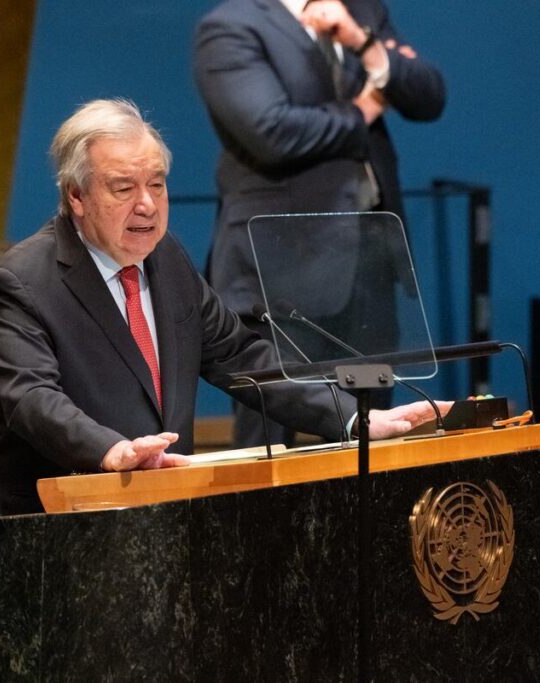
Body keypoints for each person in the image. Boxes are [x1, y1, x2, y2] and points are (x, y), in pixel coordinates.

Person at [0, 99, 449, 517]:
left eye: (156, 185)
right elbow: (30, 398)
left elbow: (242, 357)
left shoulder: (167, 259)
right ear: (76, 195)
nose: (147, 205)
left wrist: (354, 418)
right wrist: (111, 450)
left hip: (158, 517)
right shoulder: (26, 279)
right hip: (48, 533)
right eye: (123, 188)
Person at [193, 0, 446, 448]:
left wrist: (361, 41)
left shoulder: (361, 12)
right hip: (281, 271)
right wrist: (367, 106)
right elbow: (273, 133)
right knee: (270, 433)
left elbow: (427, 95)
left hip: (368, 268)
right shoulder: (231, 26)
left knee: (372, 426)